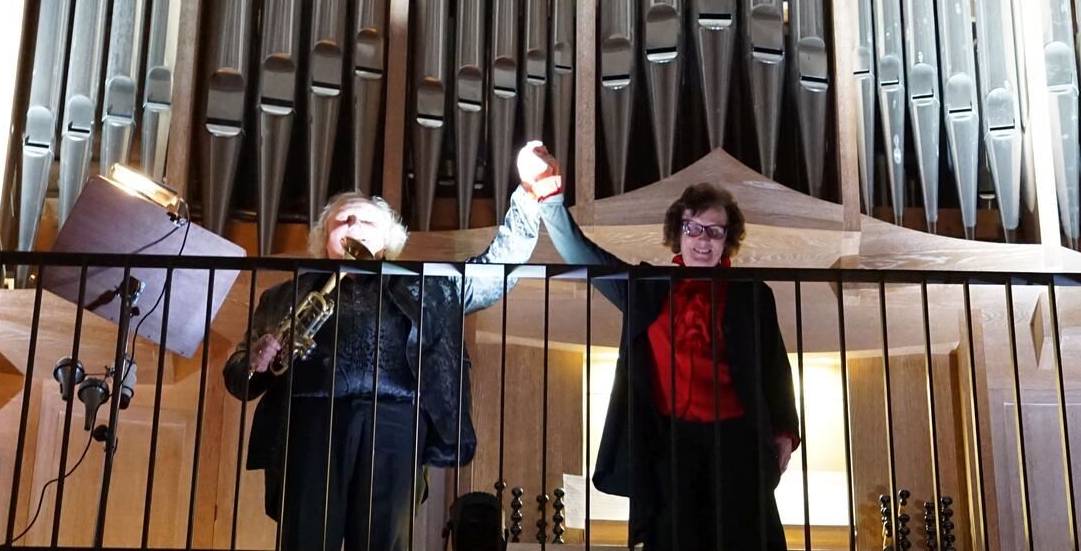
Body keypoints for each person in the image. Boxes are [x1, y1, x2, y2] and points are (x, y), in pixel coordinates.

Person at [223, 174, 543, 551]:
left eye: (367, 221)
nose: (353, 226)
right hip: (311, 421)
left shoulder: (427, 286)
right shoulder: (284, 294)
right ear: (323, 239)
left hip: (397, 421)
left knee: (386, 540)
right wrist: (255, 361)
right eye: (342, 221)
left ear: (388, 242)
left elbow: (496, 269)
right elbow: (238, 373)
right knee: (306, 538)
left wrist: (528, 199)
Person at [516, 143, 800, 551]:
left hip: (736, 442)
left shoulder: (752, 293)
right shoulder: (649, 287)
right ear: (678, 232)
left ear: (727, 239)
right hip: (672, 443)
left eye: (715, 231)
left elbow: (775, 368)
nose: (703, 240)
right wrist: (551, 203)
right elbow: (587, 257)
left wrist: (784, 433)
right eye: (694, 228)